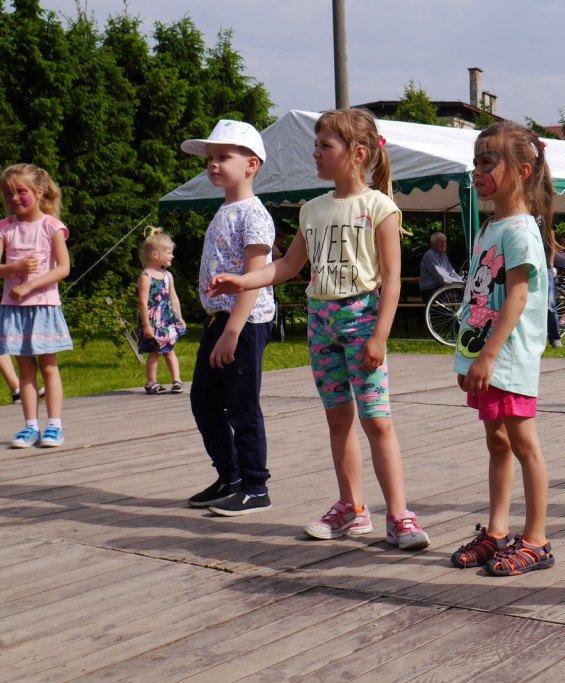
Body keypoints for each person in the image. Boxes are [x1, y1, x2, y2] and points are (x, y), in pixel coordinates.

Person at [209, 109, 430, 549]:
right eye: (316, 144)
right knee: (338, 420)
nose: (315, 152)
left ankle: (400, 516)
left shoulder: (380, 208)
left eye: (325, 146)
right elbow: (288, 266)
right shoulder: (312, 209)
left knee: (377, 420)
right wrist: (244, 280)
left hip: (363, 320)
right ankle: (352, 508)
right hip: (321, 323)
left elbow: (390, 279)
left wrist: (379, 336)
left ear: (357, 154)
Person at [449, 121, 555, 576]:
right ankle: (497, 532)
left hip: (507, 356)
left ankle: (536, 539)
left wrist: (489, 355)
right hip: (485, 355)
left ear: (523, 170)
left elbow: (516, 299)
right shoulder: (491, 227)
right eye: (475, 161)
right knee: (497, 442)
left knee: (523, 443)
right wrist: (467, 357)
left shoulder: (519, 231)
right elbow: (477, 296)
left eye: (488, 161)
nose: (477, 170)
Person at [180, 120, 276, 516]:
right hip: (220, 321)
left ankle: (255, 487)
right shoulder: (224, 211)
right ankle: (230, 475)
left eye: (224, 157)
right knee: (204, 401)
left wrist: (232, 332)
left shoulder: (254, 214)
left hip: (245, 322)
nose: (214, 164)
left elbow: (254, 279)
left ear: (251, 165)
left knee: (241, 405)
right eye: (210, 159)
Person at [0, 163, 72, 448]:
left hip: (43, 306)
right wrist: (14, 267)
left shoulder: (51, 226)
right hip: (14, 309)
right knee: (26, 370)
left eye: (20, 191)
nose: (14, 198)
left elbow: (63, 268)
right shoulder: (5, 228)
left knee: (49, 367)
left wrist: (29, 284)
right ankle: (30, 427)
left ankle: (54, 426)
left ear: (39, 192)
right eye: (7, 193)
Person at [136, 227, 187, 395]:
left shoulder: (167, 276)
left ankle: (177, 380)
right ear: (155, 255)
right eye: (169, 253)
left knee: (169, 350)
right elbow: (143, 303)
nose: (172, 256)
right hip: (153, 321)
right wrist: (146, 326)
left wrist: (179, 317)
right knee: (155, 352)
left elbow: (174, 298)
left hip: (166, 320)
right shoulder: (145, 277)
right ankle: (151, 382)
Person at [419, 231, 462, 302]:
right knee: (464, 294)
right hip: (430, 291)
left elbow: (452, 274)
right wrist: (461, 283)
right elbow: (443, 278)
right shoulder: (430, 256)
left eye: (445, 241)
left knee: (466, 292)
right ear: (433, 244)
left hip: (441, 289)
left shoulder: (444, 257)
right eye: (440, 242)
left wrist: (463, 281)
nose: (443, 244)